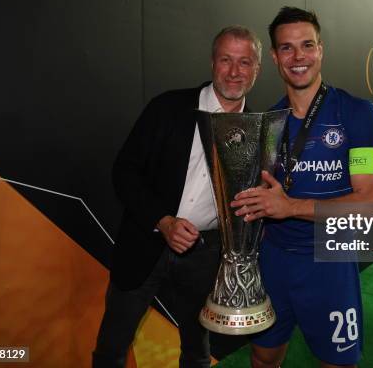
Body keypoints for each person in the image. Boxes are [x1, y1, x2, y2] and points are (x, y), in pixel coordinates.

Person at [92, 25, 262, 368]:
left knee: (197, 351)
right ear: (212, 62)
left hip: (206, 254)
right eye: (226, 60)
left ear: (257, 68)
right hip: (145, 243)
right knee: (112, 346)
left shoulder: (260, 130)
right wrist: (163, 221)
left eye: (244, 62)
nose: (233, 72)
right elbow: (124, 172)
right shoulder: (168, 108)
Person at [231, 7, 373, 368]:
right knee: (263, 357)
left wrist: (291, 207)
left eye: (307, 45)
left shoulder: (357, 113)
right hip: (274, 261)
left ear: (321, 50)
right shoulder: (267, 123)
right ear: (273, 56)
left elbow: (372, 203)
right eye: (287, 48)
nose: (298, 57)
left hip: (329, 264)